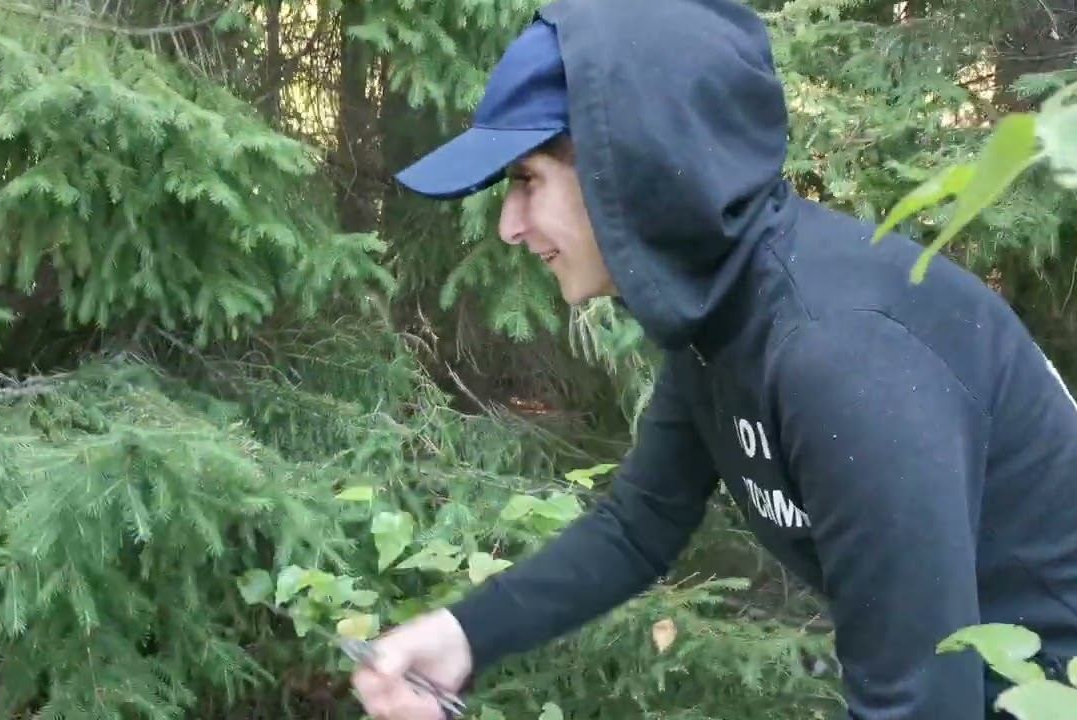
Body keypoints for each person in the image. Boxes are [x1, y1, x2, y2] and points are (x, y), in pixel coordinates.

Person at [350, 1, 1077, 718]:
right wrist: (464, 636)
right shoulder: (722, 310)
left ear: (629, 165)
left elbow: (923, 702)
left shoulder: (841, 352)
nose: (509, 226)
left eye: (528, 179)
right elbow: (639, 525)